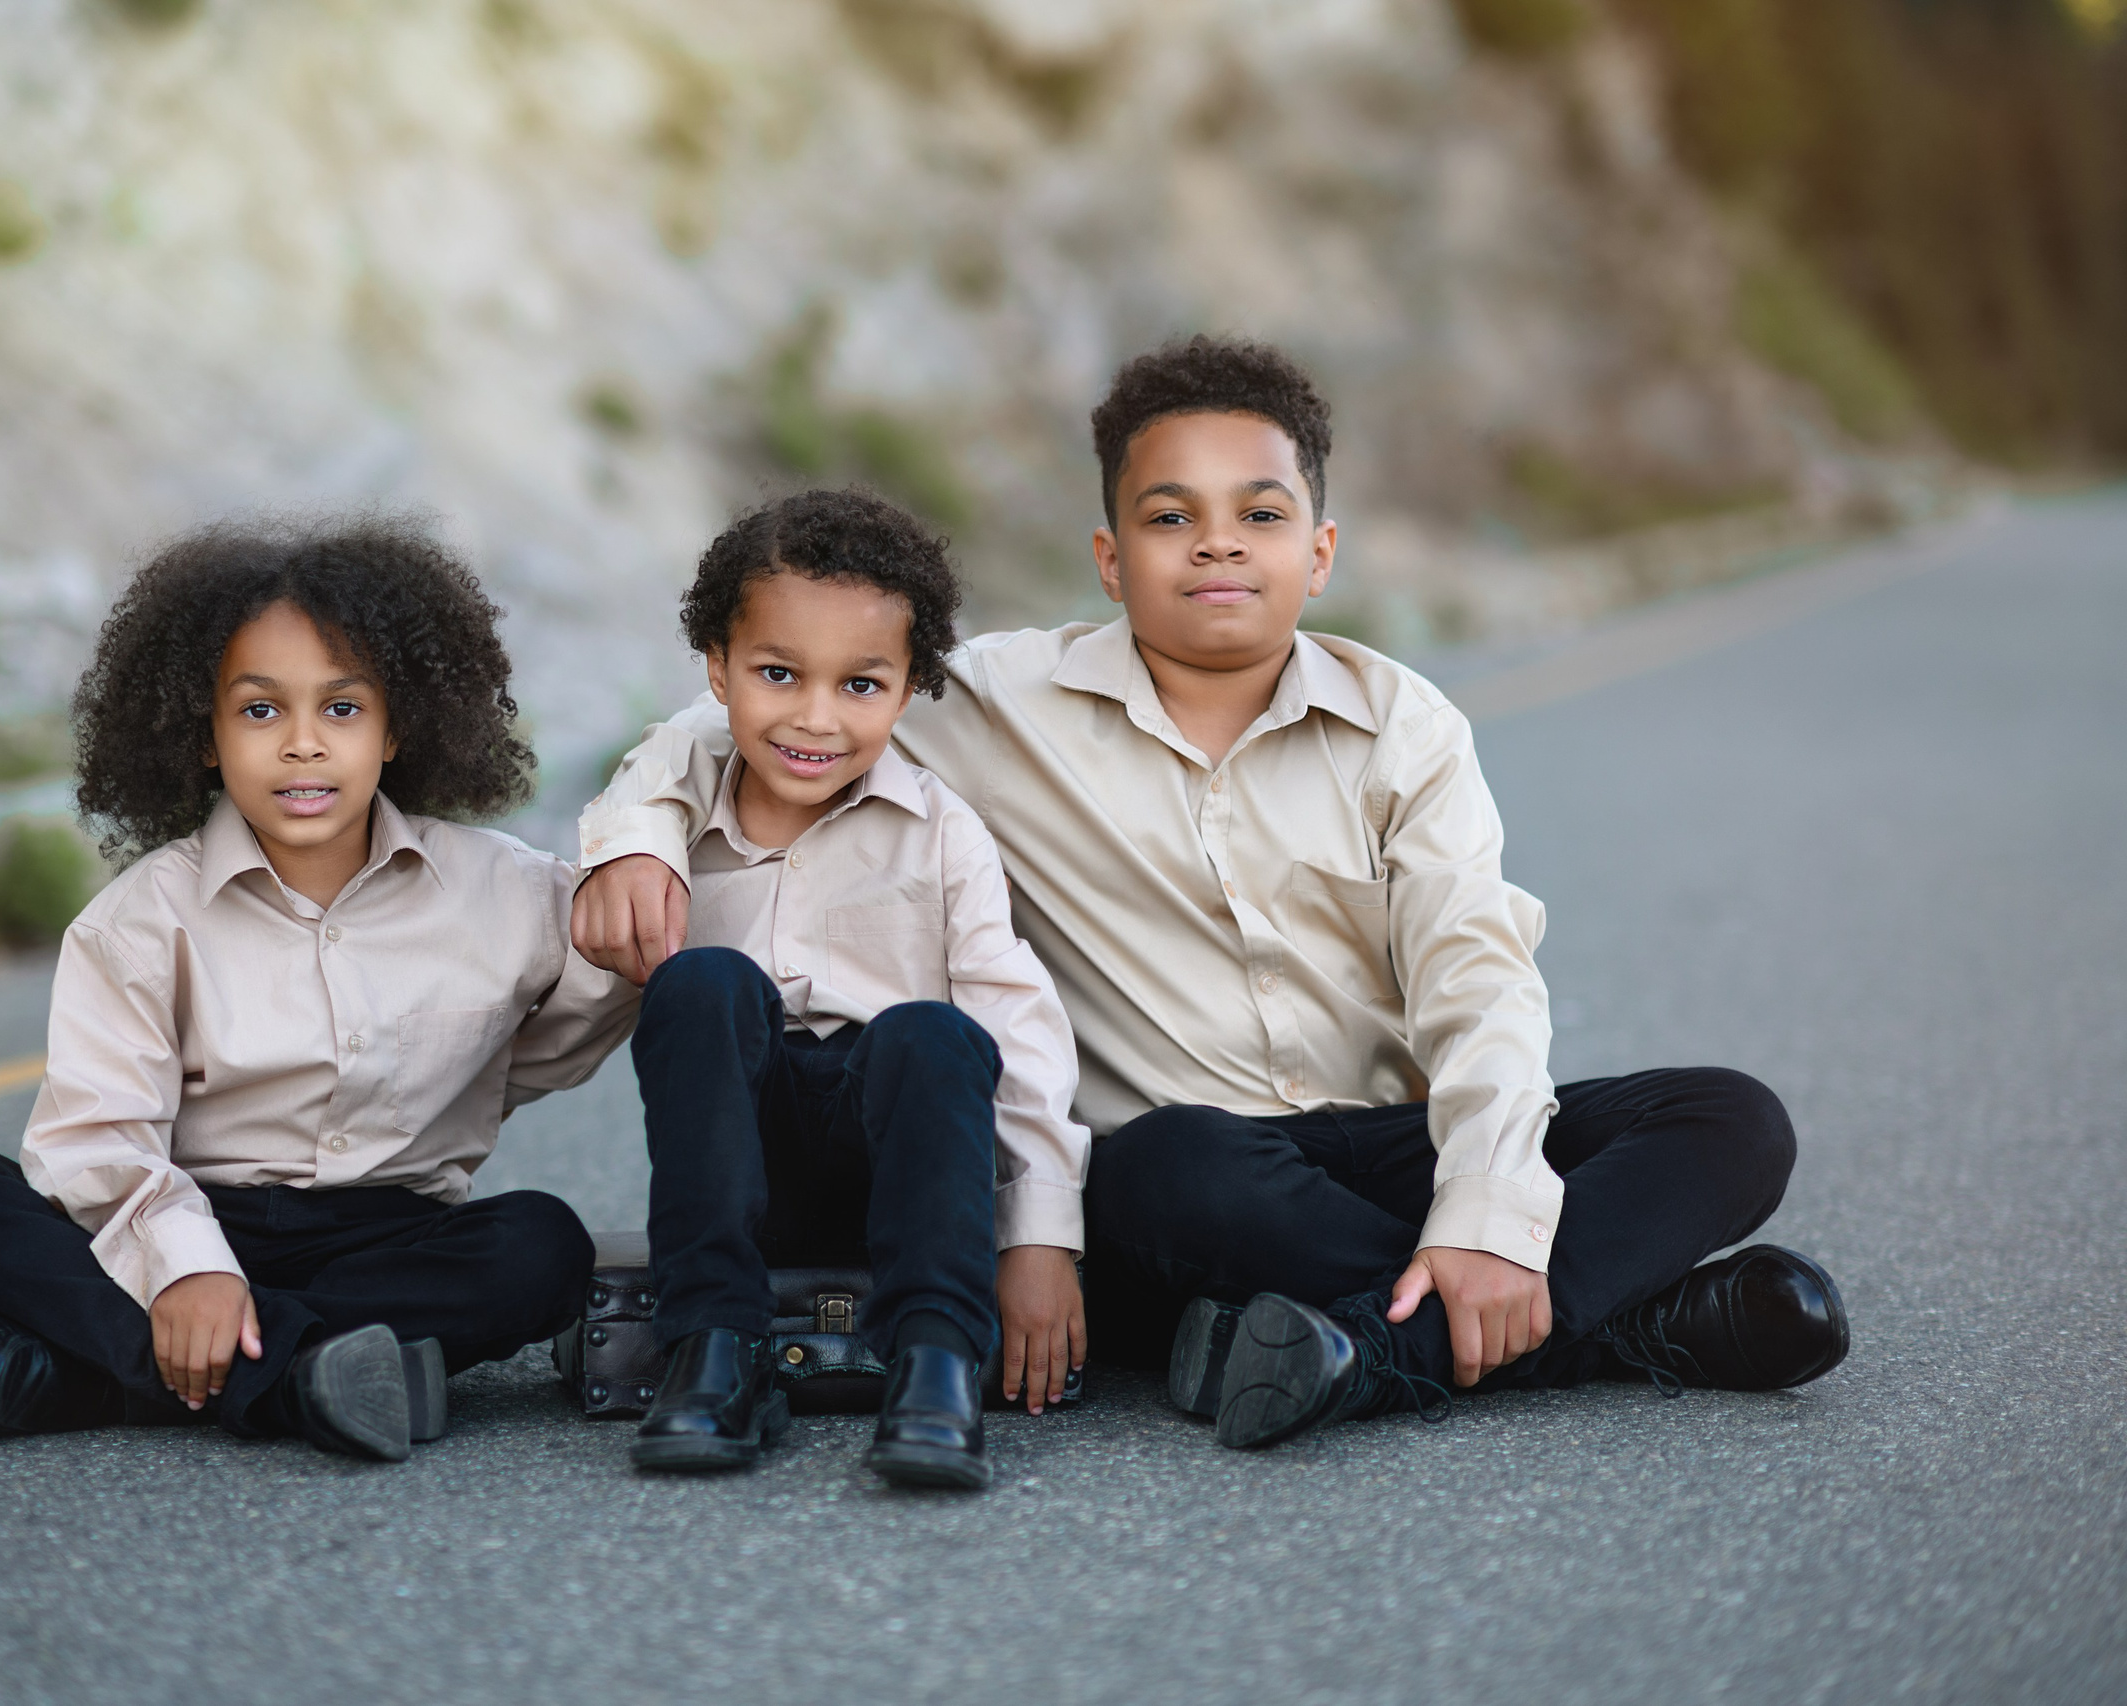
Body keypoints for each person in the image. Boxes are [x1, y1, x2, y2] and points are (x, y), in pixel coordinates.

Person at [574, 336, 1848, 1453]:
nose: (1219, 541)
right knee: (1169, 1164)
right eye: (1170, 516)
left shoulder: (1405, 721)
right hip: (1189, 1184)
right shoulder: (995, 702)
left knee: (1729, 1118)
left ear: (1321, 548)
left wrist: (1491, 1211)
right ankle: (1612, 1328)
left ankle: (1380, 1347)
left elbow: (1476, 975)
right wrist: (636, 836)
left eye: (1262, 512)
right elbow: (756, 709)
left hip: (1381, 1146)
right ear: (1110, 556)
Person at [0, 518, 635, 1462]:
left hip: (388, 1241)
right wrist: (189, 1271)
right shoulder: (139, 922)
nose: (303, 745)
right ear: (204, 735)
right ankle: (307, 1376)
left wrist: (650, 855)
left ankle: (102, 1374)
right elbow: (99, 1138)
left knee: (542, 1247)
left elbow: (603, 983)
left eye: (343, 709)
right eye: (261, 710)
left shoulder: (506, 890)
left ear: (397, 727)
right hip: (187, 1210)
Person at [621, 489, 1087, 1491]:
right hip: (744, 1179)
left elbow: (1020, 1027)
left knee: (934, 1033)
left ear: (908, 685)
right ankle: (715, 1351)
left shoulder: (939, 830)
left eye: (861, 684)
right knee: (700, 980)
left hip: (908, 1172)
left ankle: (934, 1364)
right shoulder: (666, 822)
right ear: (718, 670)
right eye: (777, 673)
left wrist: (1041, 1230)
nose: (815, 717)